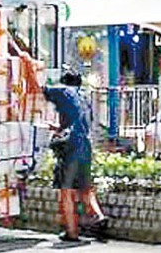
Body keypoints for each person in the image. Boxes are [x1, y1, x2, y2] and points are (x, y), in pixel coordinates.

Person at [43, 72, 107, 242]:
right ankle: (98, 216)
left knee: (67, 191)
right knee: (86, 188)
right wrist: (57, 127)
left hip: (71, 147)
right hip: (86, 145)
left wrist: (26, 61)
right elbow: (77, 123)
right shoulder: (84, 98)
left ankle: (71, 232)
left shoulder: (64, 91)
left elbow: (41, 88)